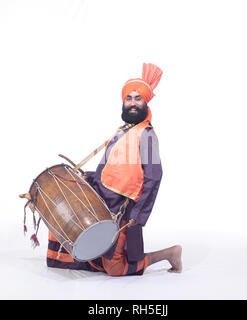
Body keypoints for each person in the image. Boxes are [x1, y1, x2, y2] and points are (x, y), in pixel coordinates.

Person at [46, 63, 182, 276]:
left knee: (115, 269)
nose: (133, 103)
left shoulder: (147, 135)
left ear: (146, 103)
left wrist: (138, 214)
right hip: (102, 202)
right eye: (129, 98)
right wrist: (86, 178)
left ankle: (169, 254)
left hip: (122, 210)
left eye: (138, 99)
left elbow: (154, 177)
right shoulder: (122, 132)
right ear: (123, 102)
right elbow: (110, 172)